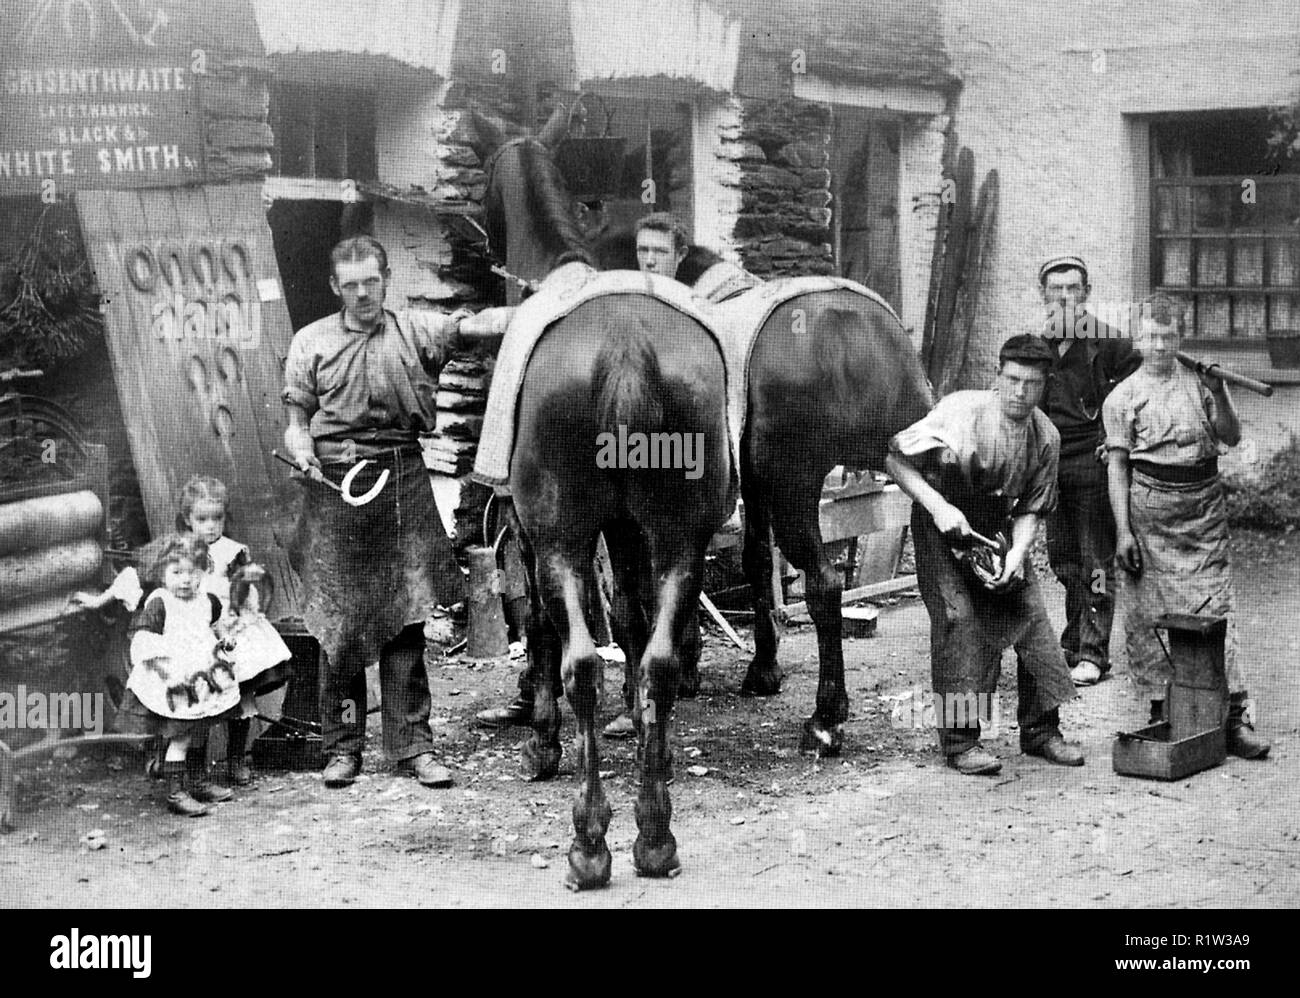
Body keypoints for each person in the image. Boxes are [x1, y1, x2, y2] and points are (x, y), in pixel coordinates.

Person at [283, 235, 501, 789]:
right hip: (335, 485)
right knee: (341, 624)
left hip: (400, 477)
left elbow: (476, 327)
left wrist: (547, 307)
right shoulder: (310, 343)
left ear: (386, 280)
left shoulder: (415, 330)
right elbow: (295, 419)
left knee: (407, 617)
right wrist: (302, 446)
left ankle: (413, 748)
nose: (362, 294)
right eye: (350, 285)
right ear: (335, 287)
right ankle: (343, 748)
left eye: (371, 282)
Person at [885, 334, 1085, 775]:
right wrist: (939, 508)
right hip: (942, 521)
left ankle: (1041, 730)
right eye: (1012, 380)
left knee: (1031, 616)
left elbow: (1033, 506)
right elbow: (896, 461)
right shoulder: (961, 410)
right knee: (960, 620)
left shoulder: (1045, 436)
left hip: (995, 528)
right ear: (998, 377)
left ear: (1044, 386)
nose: (1019, 392)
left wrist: (1017, 553)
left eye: (1031, 384)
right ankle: (960, 742)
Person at [1102, 295, 1269, 758]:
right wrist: (1123, 532)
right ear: (1138, 338)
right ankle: (1163, 710)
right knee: (1148, 612)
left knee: (1216, 609)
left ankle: (1233, 717)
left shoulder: (1201, 382)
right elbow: (1117, 468)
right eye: (1151, 336)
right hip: (1149, 511)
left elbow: (1231, 438)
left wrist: (1219, 392)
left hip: (1204, 510)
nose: (1159, 345)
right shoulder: (1122, 397)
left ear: (1180, 337)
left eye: (1169, 336)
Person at [73, 475, 292, 787]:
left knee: (242, 696)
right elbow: (135, 576)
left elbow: (248, 586)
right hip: (195, 635)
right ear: (187, 519)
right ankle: (190, 769)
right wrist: (99, 600)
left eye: (217, 518)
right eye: (202, 519)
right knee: (195, 704)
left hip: (229, 629)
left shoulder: (233, 551)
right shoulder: (179, 551)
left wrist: (243, 614)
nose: (210, 526)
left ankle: (236, 759)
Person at [1035, 254, 1141, 688]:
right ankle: (1074, 638)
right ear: (1043, 294)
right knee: (1063, 561)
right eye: (1056, 288)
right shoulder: (1035, 345)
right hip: (1052, 465)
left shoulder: (1111, 345)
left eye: (1073, 287)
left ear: (1086, 293)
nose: (1064, 296)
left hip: (1093, 467)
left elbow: (1139, 391)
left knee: (1096, 560)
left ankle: (1095, 654)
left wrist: (1115, 439)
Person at [111, 533, 240, 816]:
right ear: (162, 573)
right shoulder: (160, 603)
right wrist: (166, 665)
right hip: (175, 679)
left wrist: (224, 639)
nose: (185, 580)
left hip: (203, 676)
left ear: (204, 572)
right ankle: (175, 791)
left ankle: (197, 780)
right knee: (181, 734)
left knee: (202, 728)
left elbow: (214, 625)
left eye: (193, 573)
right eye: (177, 572)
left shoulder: (207, 601)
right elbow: (142, 639)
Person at [633, 212, 689, 280]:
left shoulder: (688, 290)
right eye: (643, 250)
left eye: (660, 251)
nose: (649, 261)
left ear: (680, 254)